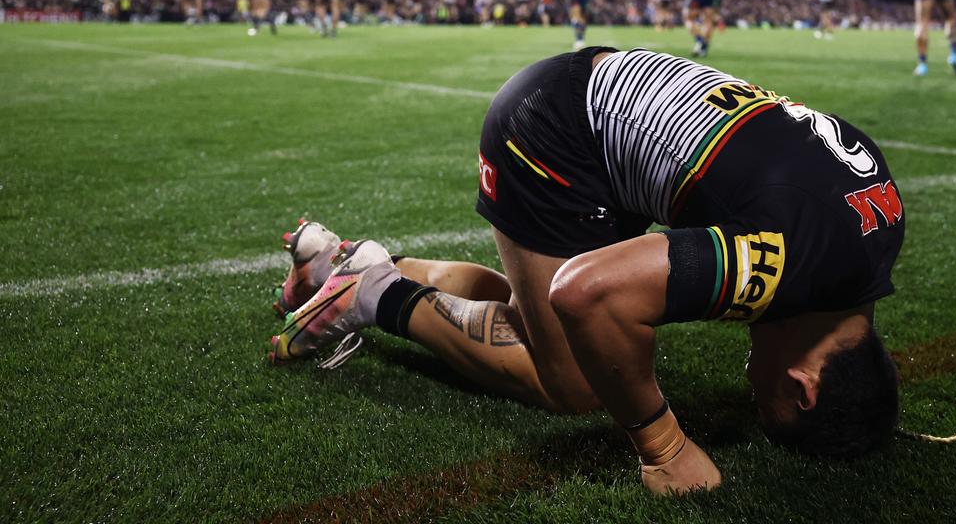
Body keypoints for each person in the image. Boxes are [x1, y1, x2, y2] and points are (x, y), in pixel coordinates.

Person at [268, 47, 905, 496]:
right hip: (556, 131)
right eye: (764, 396)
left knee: (536, 322)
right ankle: (373, 294)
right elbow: (587, 294)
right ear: (804, 387)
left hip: (609, 98)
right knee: (574, 382)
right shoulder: (791, 258)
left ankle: (351, 264)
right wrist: (663, 447)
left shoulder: (879, 232)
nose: (748, 377)